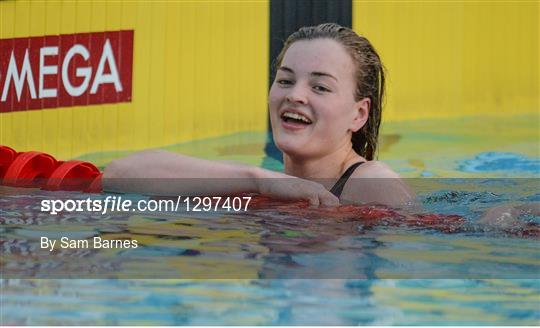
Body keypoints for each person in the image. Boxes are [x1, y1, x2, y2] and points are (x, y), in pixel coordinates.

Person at [103, 23, 413, 207]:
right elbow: (118, 175)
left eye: (319, 87)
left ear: (359, 114)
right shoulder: (267, 179)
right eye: (285, 80)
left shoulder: (369, 183)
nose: (294, 95)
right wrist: (258, 180)